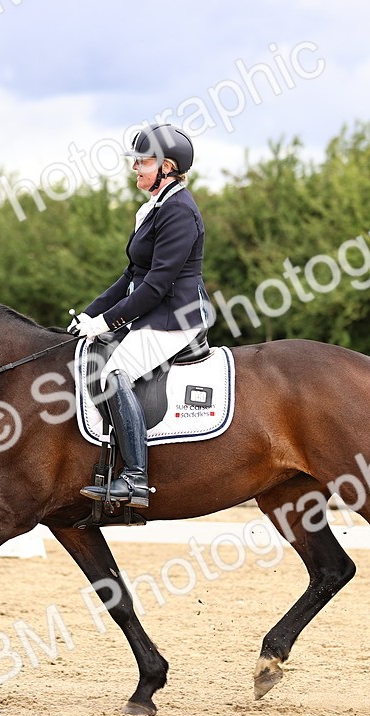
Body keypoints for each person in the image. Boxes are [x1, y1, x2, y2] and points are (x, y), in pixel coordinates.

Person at [69, 124, 210, 509]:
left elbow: (157, 285)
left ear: (166, 166)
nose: (135, 169)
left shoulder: (179, 212)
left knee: (115, 374)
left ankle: (134, 478)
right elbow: (132, 274)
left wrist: (107, 323)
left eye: (143, 162)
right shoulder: (152, 208)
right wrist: (91, 313)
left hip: (174, 317)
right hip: (155, 311)